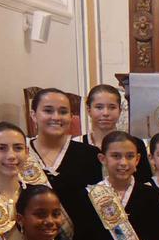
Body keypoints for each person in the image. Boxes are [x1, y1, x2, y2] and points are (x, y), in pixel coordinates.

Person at [28, 88, 103, 227]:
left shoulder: (90, 154)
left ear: (71, 117)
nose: (56, 117)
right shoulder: (21, 154)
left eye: (63, 112)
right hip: (29, 239)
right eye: (48, 111)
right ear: (33, 115)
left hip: (82, 238)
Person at [79, 84, 151, 184]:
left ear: (120, 111)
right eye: (99, 107)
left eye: (112, 107)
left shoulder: (136, 144)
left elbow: (144, 183)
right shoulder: (77, 145)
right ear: (89, 110)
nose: (105, 113)